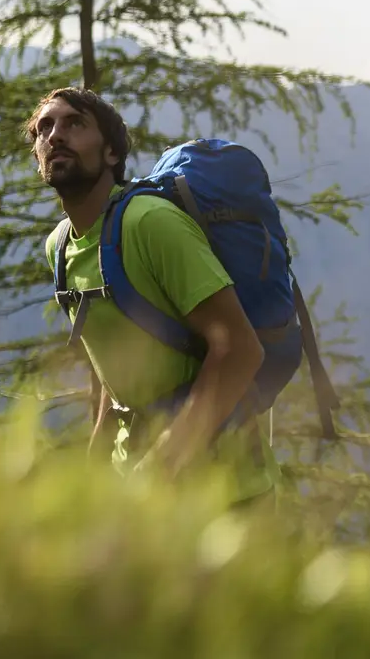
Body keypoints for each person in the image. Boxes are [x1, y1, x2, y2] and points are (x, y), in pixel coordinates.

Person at [25, 87, 277, 499]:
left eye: (75, 123)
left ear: (111, 154)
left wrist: (162, 466)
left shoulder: (149, 223)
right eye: (44, 128)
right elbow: (120, 369)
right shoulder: (59, 247)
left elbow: (241, 349)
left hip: (228, 492)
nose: (55, 136)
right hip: (138, 484)